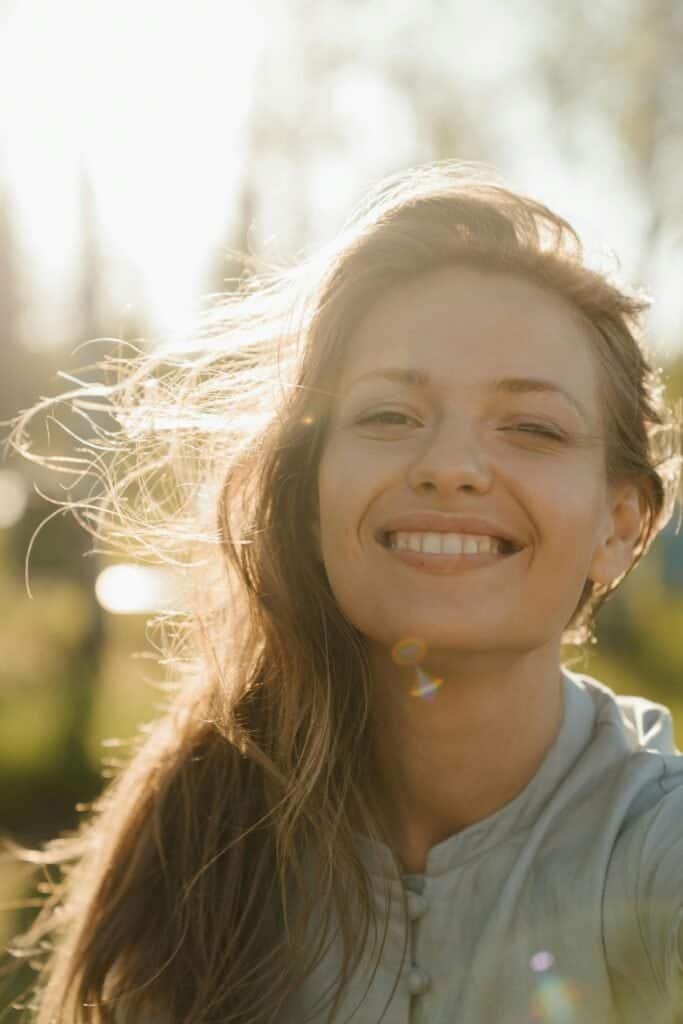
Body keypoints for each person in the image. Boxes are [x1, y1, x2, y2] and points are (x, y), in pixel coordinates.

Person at [7, 162, 683, 1023]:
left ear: (620, 523)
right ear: (311, 486)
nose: (448, 467)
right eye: (389, 415)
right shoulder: (199, 838)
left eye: (531, 427)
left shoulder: (660, 852)